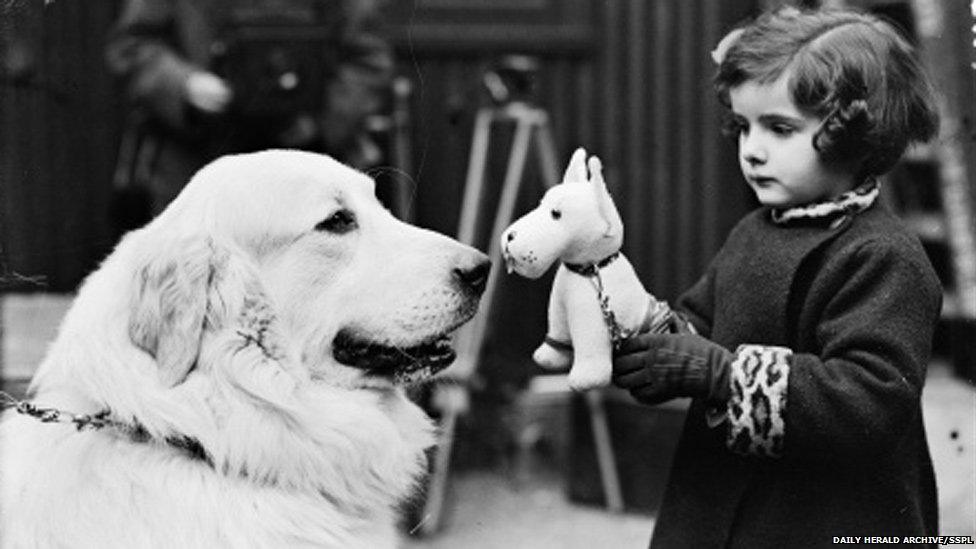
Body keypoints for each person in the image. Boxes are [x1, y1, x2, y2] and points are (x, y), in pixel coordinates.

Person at [612, 7, 942, 548]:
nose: (752, 150)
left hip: (828, 518)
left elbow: (871, 399)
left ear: (851, 134)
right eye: (744, 126)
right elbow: (699, 324)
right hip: (717, 502)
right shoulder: (752, 232)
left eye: (780, 128)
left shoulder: (884, 256)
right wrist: (652, 346)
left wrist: (724, 375)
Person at [105, 0, 392, 220]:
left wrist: (320, 121)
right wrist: (184, 85)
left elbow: (368, 59)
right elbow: (132, 44)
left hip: (307, 165)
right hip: (196, 159)